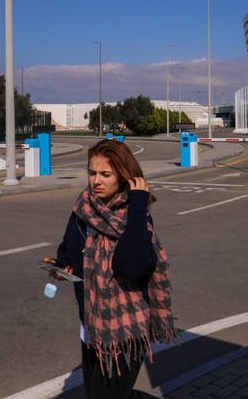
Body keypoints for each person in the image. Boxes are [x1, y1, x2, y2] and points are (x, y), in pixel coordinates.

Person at [51, 139, 176, 399]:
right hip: (91, 326)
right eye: (92, 172)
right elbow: (68, 249)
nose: (96, 180)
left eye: (105, 174)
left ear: (123, 176)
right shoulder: (83, 207)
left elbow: (132, 268)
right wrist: (60, 266)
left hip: (124, 329)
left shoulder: (135, 216)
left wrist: (139, 203)